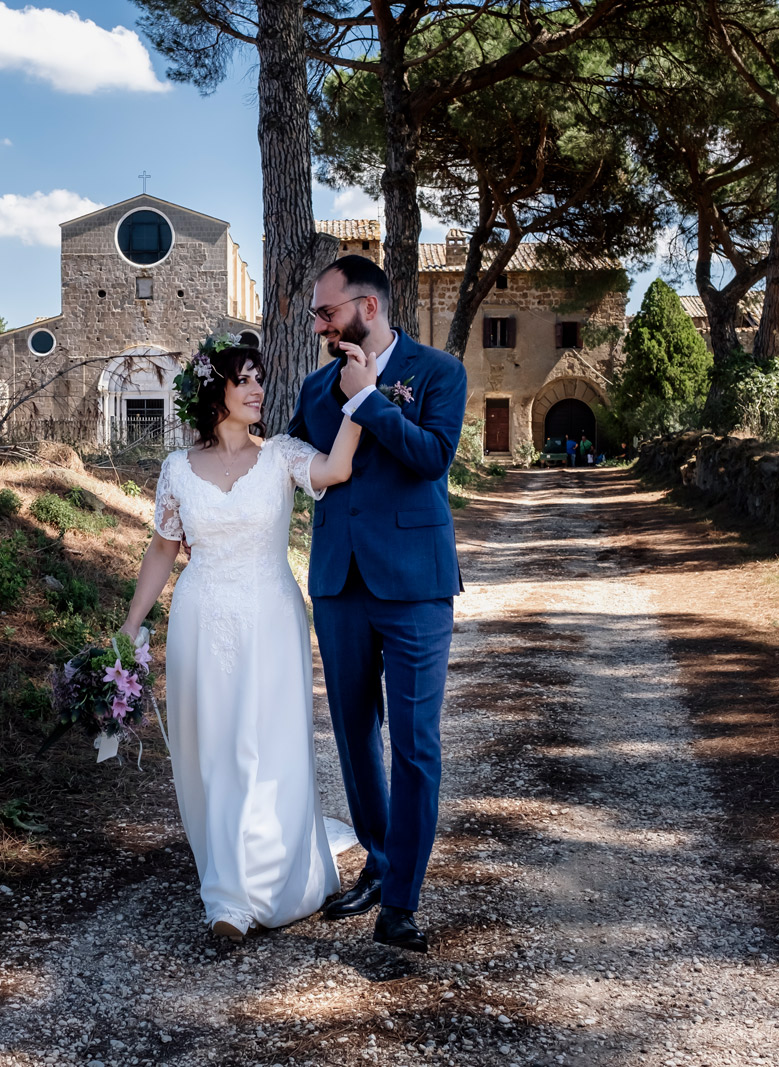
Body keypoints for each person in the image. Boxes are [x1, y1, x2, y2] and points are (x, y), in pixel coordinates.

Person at [119, 345, 365, 943]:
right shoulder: (177, 466)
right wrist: (131, 624)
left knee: (268, 746)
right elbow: (162, 550)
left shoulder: (281, 454)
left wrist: (361, 398)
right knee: (217, 750)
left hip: (272, 616)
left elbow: (336, 471)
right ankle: (228, 897)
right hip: (201, 618)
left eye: (261, 380)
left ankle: (277, 874)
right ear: (215, 393)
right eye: (244, 380)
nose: (257, 390)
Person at [287, 255, 468, 954]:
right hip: (339, 581)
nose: (318, 325)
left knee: (415, 745)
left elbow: (432, 456)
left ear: (367, 307)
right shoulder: (312, 385)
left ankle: (401, 901)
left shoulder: (437, 373)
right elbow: (302, 461)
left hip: (416, 584)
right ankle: (378, 857)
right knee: (355, 731)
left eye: (326, 312)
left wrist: (369, 401)